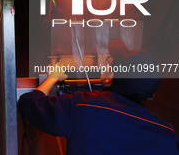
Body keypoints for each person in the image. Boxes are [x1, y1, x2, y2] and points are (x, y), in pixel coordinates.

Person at [18, 39, 179, 155]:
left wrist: (52, 78)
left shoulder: (83, 107)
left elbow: (31, 105)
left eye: (110, 62)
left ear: (110, 76)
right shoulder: (167, 135)